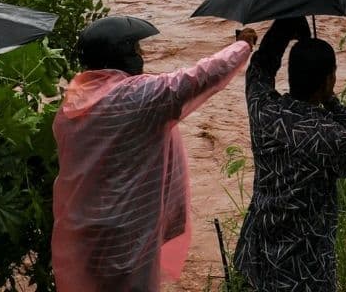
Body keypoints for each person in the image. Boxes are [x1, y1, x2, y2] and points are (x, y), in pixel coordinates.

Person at [51, 15, 256, 292]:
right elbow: (202, 76)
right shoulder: (138, 97)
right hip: (129, 233)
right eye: (136, 50)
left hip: (83, 231)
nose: (141, 56)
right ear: (121, 56)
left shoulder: (71, 105)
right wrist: (242, 46)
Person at [232, 16, 346, 292]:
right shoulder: (329, 136)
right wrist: (331, 100)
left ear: (291, 74)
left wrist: (286, 25)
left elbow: (261, 67)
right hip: (305, 273)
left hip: (256, 260)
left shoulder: (265, 112)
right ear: (329, 79)